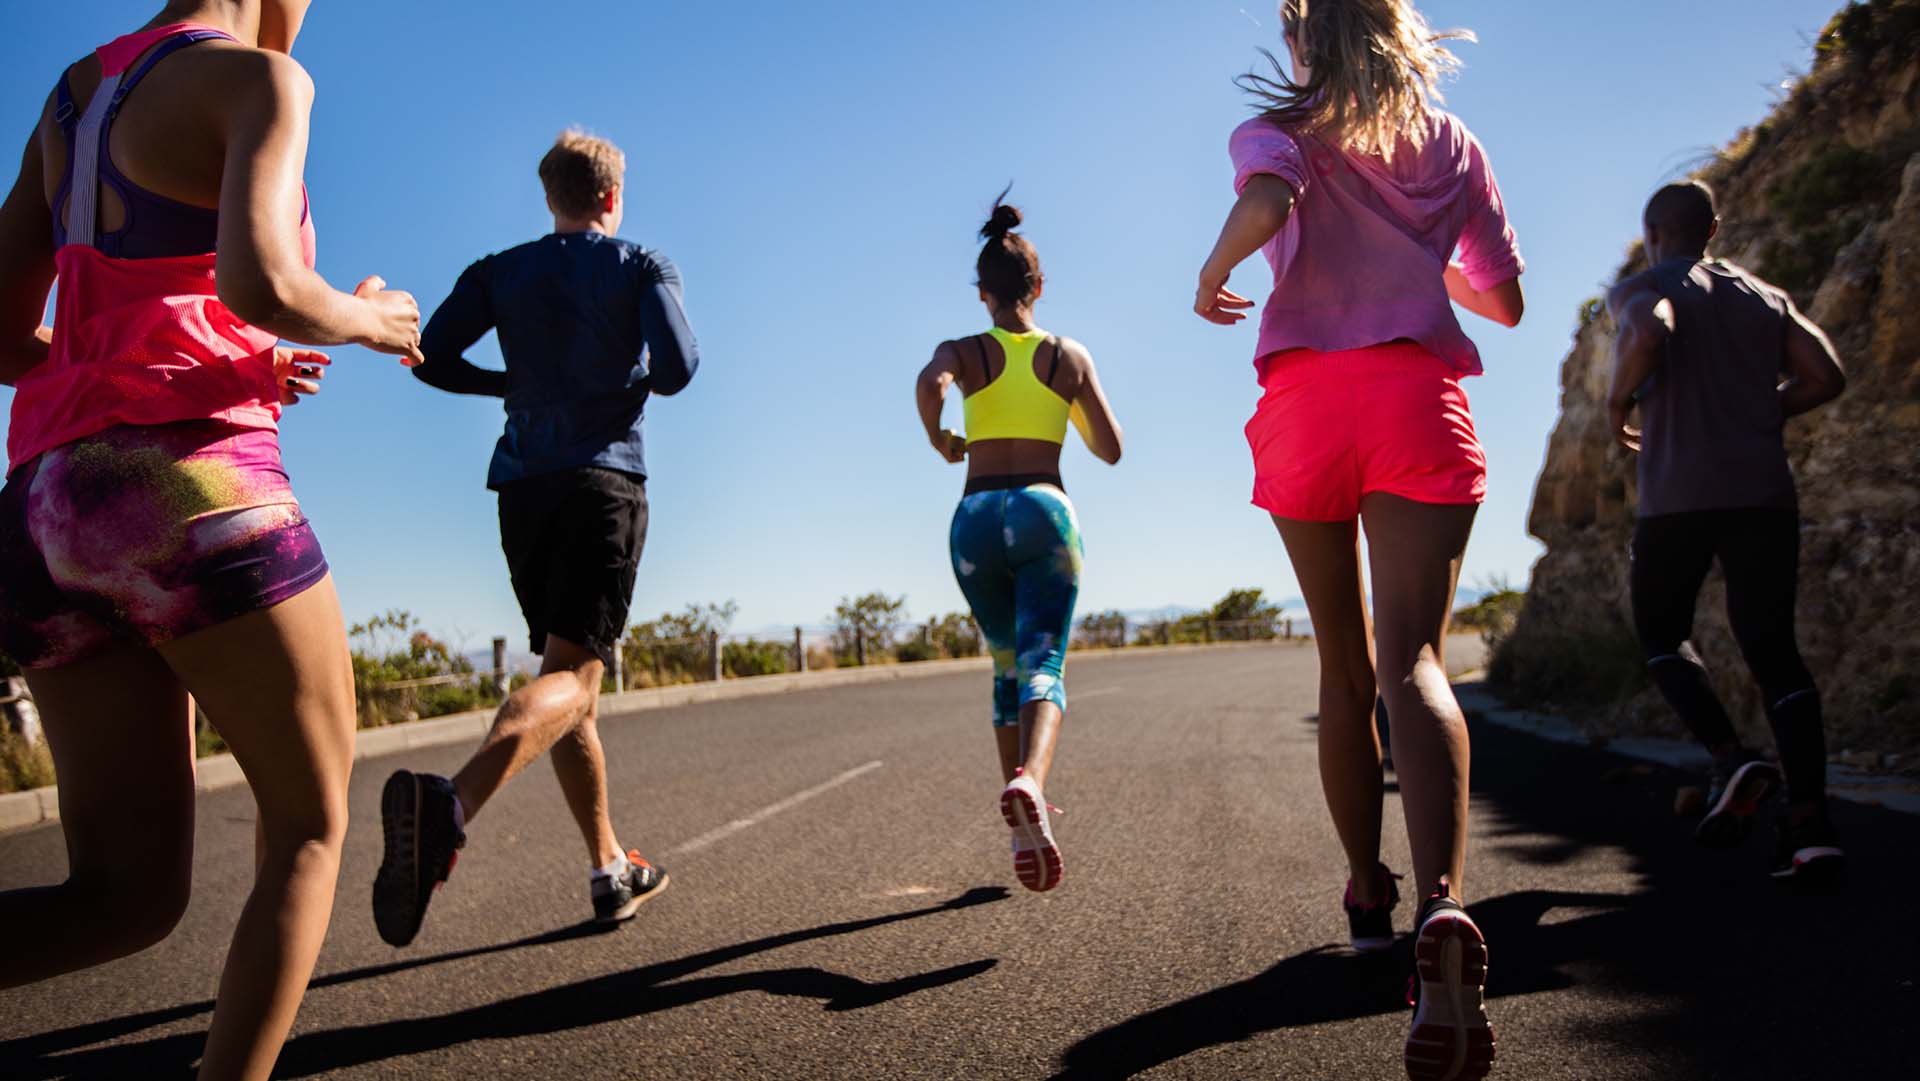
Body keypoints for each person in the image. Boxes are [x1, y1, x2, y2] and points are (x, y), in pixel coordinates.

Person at [0, 2, 425, 1077]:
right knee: (311, 826)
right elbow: (264, 284)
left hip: (46, 507)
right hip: (190, 487)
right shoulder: (260, 83)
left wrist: (229, 359)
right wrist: (374, 317)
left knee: (122, 897)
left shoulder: (71, 97)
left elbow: (10, 339)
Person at [1193, 2, 1523, 1077]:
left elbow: (1267, 198)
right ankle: (1443, 904)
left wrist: (1214, 272)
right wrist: (1434, 271)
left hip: (1306, 408)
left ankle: (1368, 893)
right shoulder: (1451, 141)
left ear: (1304, 43)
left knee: (1343, 666)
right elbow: (1505, 302)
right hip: (1419, 397)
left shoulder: (1279, 125)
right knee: (1416, 660)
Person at [379, 129, 697, 945]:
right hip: (603, 482)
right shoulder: (641, 264)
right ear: (612, 197)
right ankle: (449, 803)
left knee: (563, 679)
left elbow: (430, 355)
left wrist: (509, 384)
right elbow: (679, 365)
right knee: (577, 683)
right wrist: (629, 380)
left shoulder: (498, 271)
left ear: (551, 197)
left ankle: (608, 868)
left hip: (522, 488)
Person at [1607, 179, 1847, 882]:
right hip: (1764, 496)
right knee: (1775, 653)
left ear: (1654, 231)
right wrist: (1758, 410)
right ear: (1713, 231)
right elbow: (1825, 375)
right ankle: (1810, 826)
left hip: (1678, 496)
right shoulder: (1763, 296)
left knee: (1660, 632)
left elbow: (1650, 331)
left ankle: (1730, 756)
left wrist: (1620, 401)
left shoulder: (1643, 284)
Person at [914, 194, 1122, 893]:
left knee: (1003, 666)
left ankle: (1017, 826)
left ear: (982, 295)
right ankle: (1032, 780)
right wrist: (1070, 403)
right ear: (1039, 288)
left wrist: (942, 436)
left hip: (974, 516)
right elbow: (1111, 449)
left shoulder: (965, 350)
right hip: (1042, 508)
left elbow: (928, 382)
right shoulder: (1067, 355)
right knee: (1044, 664)